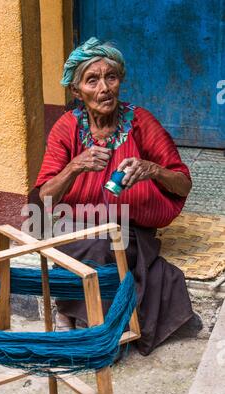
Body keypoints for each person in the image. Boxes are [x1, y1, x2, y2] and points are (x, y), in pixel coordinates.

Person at [33, 37, 194, 355]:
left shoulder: (141, 122)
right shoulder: (66, 129)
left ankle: (78, 317)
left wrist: (153, 170)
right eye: (92, 80)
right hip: (75, 229)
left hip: (130, 230)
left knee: (107, 242)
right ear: (77, 91)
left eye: (111, 77)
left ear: (120, 80)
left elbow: (183, 185)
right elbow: (45, 197)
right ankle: (95, 323)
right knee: (94, 242)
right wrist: (76, 166)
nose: (104, 87)